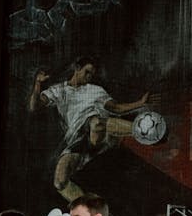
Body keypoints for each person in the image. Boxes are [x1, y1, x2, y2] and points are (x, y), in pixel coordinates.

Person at [29, 56, 151, 201]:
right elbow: (34, 107)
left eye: (92, 74)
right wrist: (37, 84)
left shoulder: (95, 90)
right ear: (77, 68)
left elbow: (116, 108)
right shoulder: (59, 90)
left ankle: (144, 131)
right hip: (77, 139)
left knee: (96, 122)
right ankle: (89, 208)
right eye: (87, 72)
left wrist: (139, 103)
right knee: (60, 181)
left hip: (97, 135)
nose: (89, 77)